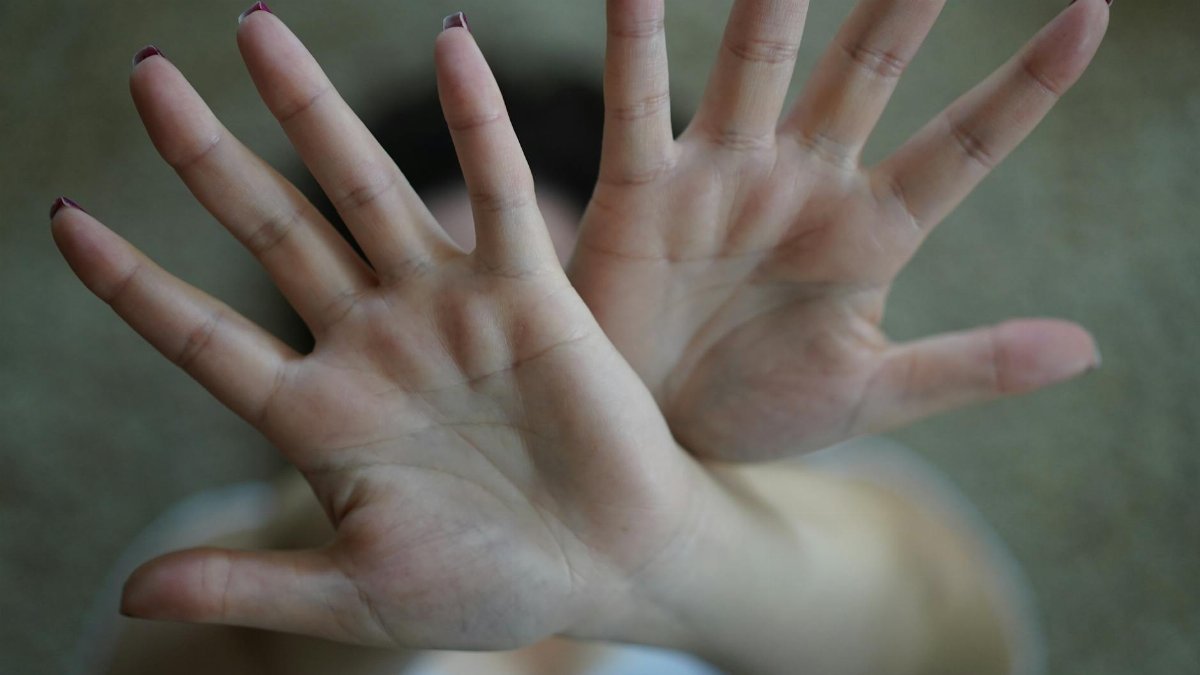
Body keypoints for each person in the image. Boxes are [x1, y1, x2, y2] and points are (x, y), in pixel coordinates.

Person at [55, 1, 1111, 673]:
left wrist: (671, 542)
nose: (522, 374)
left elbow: (947, 641)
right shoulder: (239, 549)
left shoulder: (848, 522)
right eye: (458, 335)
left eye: (562, 303)